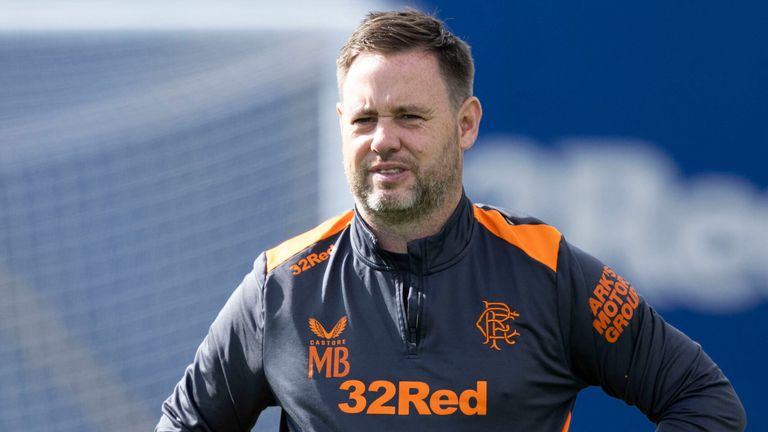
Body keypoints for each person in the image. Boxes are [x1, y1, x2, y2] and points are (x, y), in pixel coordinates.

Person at [156, 9, 746, 432]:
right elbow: (184, 422)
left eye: (409, 116)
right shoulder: (280, 286)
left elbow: (704, 400)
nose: (383, 140)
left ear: (466, 124)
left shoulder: (548, 273)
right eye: (364, 120)